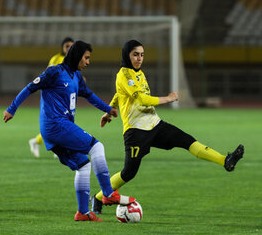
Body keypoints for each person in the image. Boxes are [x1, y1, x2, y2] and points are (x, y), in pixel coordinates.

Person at [90, 40, 244, 214]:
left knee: (187, 141)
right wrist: (168, 98)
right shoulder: (124, 74)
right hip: (136, 131)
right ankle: (97, 197)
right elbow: (141, 99)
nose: (139, 58)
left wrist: (110, 110)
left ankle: (225, 160)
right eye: (135, 54)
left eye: (142, 54)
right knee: (128, 173)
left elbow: (119, 93)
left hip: (155, 124)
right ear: (127, 55)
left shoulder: (138, 73)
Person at [3, 41, 135, 221]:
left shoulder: (76, 76)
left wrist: (107, 108)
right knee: (97, 147)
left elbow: (88, 94)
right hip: (56, 125)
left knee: (83, 165)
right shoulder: (54, 72)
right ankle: (108, 193)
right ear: (77, 55)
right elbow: (30, 87)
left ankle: (82, 212)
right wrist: (12, 108)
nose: (88, 62)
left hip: (56, 130)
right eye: (86, 58)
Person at [29, 37, 74, 158]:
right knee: (59, 121)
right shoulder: (56, 59)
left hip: (67, 95)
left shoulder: (74, 60)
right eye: (67, 46)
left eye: (71, 46)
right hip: (55, 95)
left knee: (63, 121)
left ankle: (38, 141)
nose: (69, 48)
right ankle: (58, 148)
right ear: (62, 47)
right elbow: (49, 75)